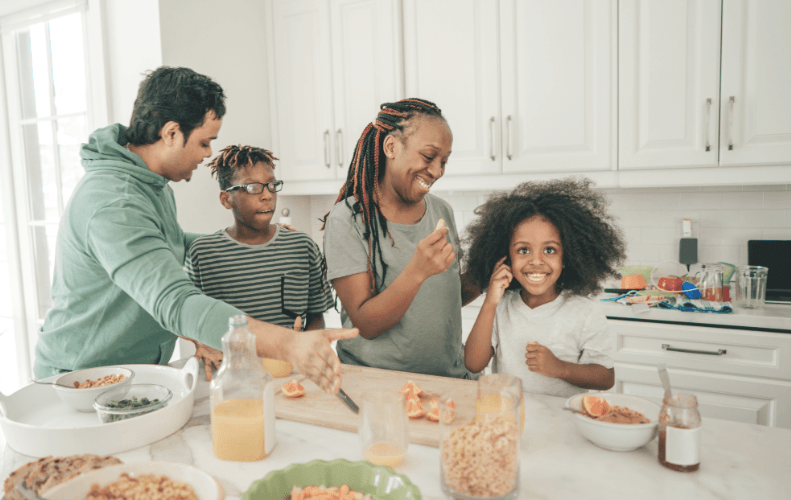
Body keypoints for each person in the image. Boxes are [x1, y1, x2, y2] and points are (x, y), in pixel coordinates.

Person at [33, 67, 356, 393]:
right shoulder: (115, 201)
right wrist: (288, 344)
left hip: (130, 372)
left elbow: (162, 245)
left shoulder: (148, 184)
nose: (208, 154)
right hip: (80, 380)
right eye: (204, 142)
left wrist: (250, 241)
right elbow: (176, 303)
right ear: (171, 133)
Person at [322, 98, 481, 379]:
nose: (437, 171)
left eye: (444, 161)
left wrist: (486, 273)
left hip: (450, 379)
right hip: (377, 384)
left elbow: (443, 299)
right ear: (391, 147)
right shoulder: (347, 219)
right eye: (429, 157)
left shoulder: (441, 210)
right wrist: (417, 271)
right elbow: (366, 324)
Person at [462, 177, 626, 396]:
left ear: (567, 257)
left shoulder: (585, 311)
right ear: (506, 256)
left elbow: (605, 378)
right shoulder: (500, 306)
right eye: (523, 250)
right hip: (511, 412)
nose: (536, 261)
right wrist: (490, 302)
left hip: (563, 416)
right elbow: (473, 364)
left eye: (549, 250)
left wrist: (560, 368)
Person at [183, 145, 335, 377]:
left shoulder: (302, 246)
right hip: (231, 374)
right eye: (252, 187)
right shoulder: (202, 253)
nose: (267, 195)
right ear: (226, 199)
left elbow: (316, 315)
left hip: (290, 371)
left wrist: (305, 345)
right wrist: (201, 343)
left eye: (272, 185)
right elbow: (185, 314)